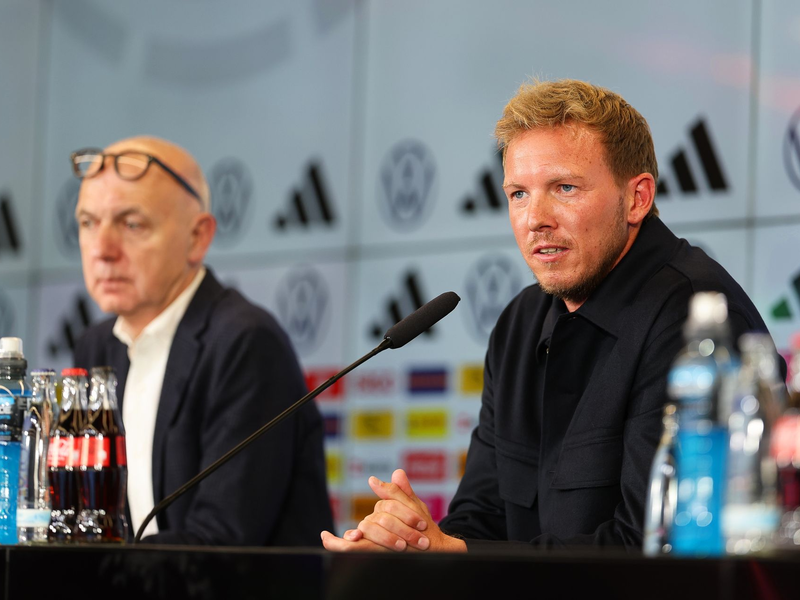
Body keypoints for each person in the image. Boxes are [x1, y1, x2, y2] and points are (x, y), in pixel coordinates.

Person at [321, 78, 781, 553]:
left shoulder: (697, 320)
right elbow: (483, 516)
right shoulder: (520, 322)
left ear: (637, 198)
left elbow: (652, 548)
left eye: (563, 187)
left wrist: (455, 554)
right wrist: (415, 544)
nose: (535, 218)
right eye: (518, 193)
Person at [72, 135, 333, 546]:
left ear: (198, 238)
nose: (102, 249)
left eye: (132, 224)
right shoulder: (95, 348)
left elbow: (222, 539)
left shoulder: (244, 343)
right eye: (88, 223)